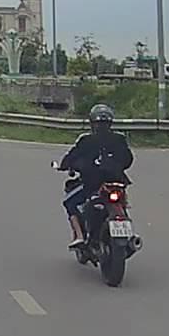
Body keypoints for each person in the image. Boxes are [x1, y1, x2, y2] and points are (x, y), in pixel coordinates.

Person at [58, 103, 134, 248]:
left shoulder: (86, 140)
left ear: (92, 123)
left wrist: (65, 165)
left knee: (69, 202)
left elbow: (70, 158)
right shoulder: (119, 139)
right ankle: (128, 232)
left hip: (92, 184)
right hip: (117, 182)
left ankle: (80, 236)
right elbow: (128, 160)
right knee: (121, 202)